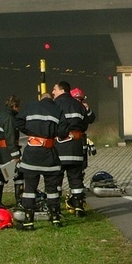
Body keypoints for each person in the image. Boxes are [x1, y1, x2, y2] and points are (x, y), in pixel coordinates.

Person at [14, 83, 67, 230]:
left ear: (41, 99)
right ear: (51, 100)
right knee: (52, 189)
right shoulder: (57, 109)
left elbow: (18, 122)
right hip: (49, 154)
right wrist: (52, 133)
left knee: (29, 189)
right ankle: (55, 218)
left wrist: (31, 132)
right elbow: (63, 131)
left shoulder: (31, 106)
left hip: (31, 154)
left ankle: (28, 221)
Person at [53, 81, 94, 217]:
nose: (53, 92)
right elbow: (87, 122)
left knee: (56, 179)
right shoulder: (79, 105)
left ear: (62, 90)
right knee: (76, 179)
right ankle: (78, 208)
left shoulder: (54, 105)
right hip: (76, 148)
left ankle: (56, 209)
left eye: (55, 89)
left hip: (59, 147)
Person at [0, 94, 23, 209]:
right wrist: (16, 154)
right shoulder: (9, 118)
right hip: (8, 152)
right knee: (18, 175)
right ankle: (19, 201)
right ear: (15, 106)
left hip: (0, 151)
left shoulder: (1, 115)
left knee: (0, 176)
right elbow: (10, 137)